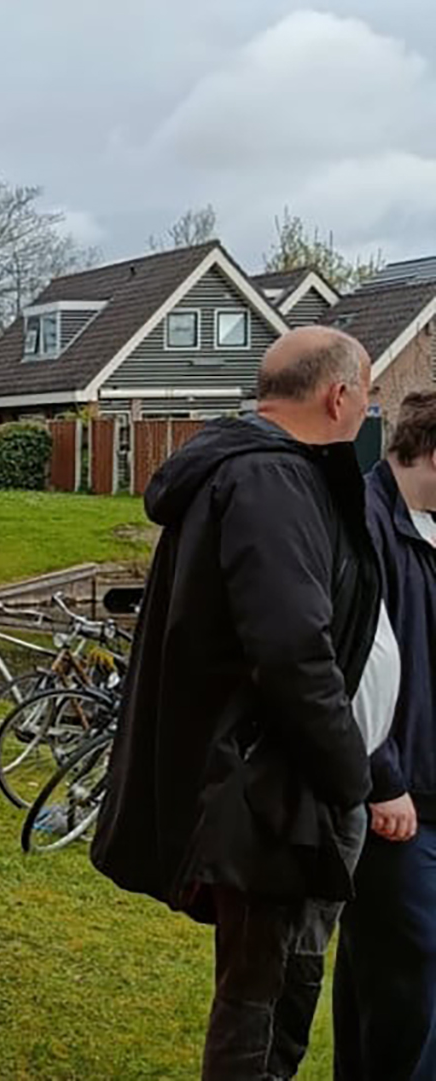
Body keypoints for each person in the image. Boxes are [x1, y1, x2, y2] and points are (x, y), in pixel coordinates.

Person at [91, 326, 394, 1080]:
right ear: (339, 395)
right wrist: (349, 775)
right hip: (271, 788)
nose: (369, 408)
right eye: (368, 392)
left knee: (275, 985)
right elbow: (290, 647)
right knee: (262, 1002)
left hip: (271, 779)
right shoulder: (272, 482)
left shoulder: (255, 471)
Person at [336, 389, 436, 1079]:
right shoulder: (363, 527)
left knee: (383, 969)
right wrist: (382, 775)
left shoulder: (426, 526)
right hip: (396, 805)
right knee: (411, 978)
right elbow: (338, 665)